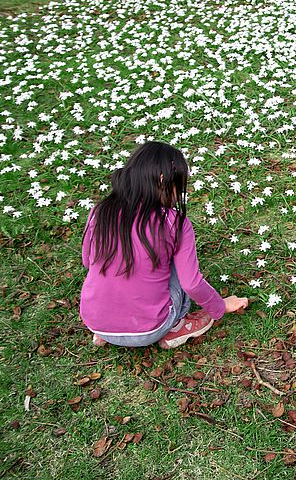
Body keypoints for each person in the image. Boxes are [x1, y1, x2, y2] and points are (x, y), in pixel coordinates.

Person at [79, 141, 248, 349]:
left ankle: (110, 330)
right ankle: (176, 326)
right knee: (178, 264)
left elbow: (88, 261)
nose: (180, 194)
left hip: (95, 322)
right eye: (180, 184)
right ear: (162, 180)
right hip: (150, 329)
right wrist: (220, 305)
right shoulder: (174, 222)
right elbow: (191, 283)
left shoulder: (100, 211)